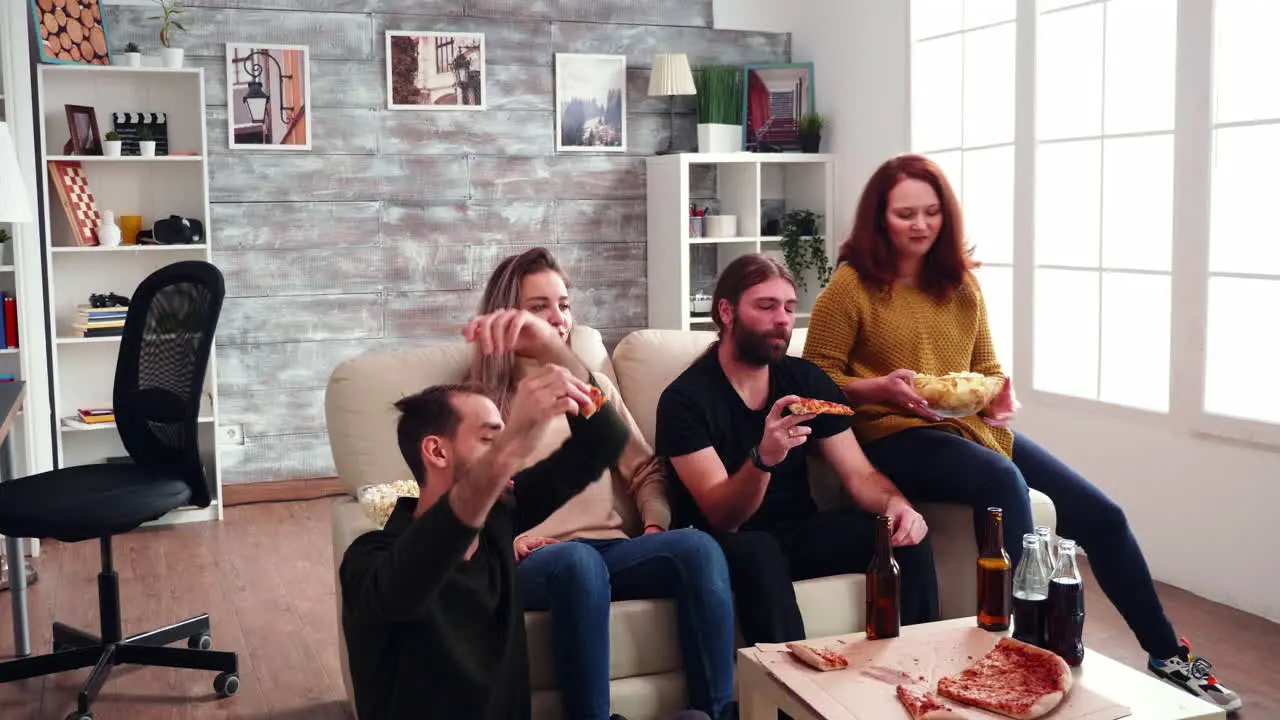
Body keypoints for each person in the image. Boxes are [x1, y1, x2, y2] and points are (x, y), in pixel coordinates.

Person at [801, 153, 1242, 713]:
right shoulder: (852, 285)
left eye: (932, 212)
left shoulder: (960, 283)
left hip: (963, 431)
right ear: (878, 218)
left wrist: (997, 398)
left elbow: (987, 369)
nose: (920, 225)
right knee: (1001, 478)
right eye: (905, 213)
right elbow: (814, 376)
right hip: (890, 434)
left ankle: (1166, 654)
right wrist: (879, 389)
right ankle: (1023, 653)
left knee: (1102, 515)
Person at [472, 248, 737, 720]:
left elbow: (645, 471)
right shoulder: (478, 403)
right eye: (539, 308)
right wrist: (506, 540)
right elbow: (466, 503)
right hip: (538, 559)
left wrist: (655, 526)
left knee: (698, 549)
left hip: (611, 550)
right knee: (576, 563)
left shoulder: (594, 389)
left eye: (565, 304)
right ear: (504, 317)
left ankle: (712, 714)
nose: (558, 319)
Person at [338, 309, 633, 720]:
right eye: (489, 438)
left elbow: (605, 439)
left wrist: (552, 347)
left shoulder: (499, 522)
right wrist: (513, 445)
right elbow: (414, 575)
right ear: (436, 451)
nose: (504, 453)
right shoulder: (369, 561)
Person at [655, 253, 940, 647]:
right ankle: (791, 699)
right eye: (766, 306)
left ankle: (918, 670)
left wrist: (897, 506)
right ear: (726, 311)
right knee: (760, 550)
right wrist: (763, 458)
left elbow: (860, 475)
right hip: (721, 541)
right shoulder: (684, 400)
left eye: (789, 308)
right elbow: (723, 515)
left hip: (798, 533)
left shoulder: (805, 380)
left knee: (901, 536)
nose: (782, 320)